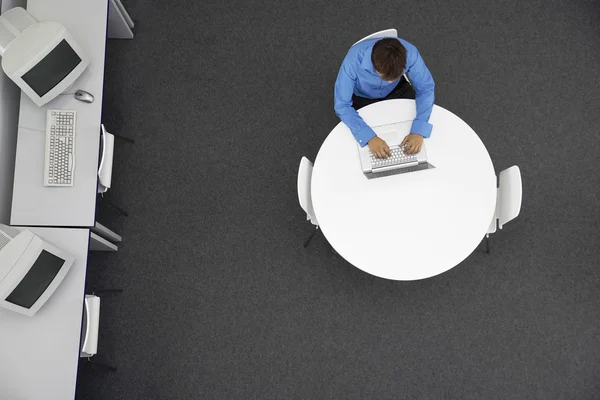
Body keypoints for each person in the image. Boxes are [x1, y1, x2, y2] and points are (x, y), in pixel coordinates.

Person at [334, 37, 435, 159]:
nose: (390, 81)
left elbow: (426, 88)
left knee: (430, 143)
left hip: (397, 89)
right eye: (386, 78)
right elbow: (342, 105)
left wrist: (419, 129)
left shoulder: (411, 53)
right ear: (374, 66)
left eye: (395, 76)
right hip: (363, 96)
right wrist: (369, 137)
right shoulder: (353, 61)